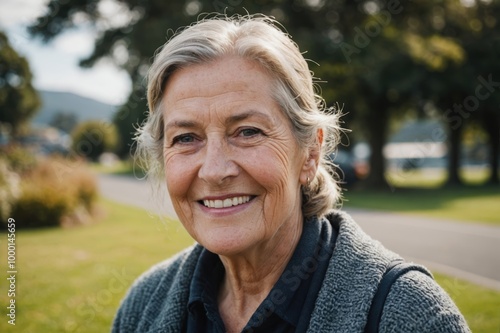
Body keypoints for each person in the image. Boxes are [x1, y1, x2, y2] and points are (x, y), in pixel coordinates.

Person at [112, 14, 471, 333]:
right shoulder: (143, 305)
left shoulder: (410, 314)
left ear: (311, 153)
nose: (215, 170)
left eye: (248, 132)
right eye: (186, 138)